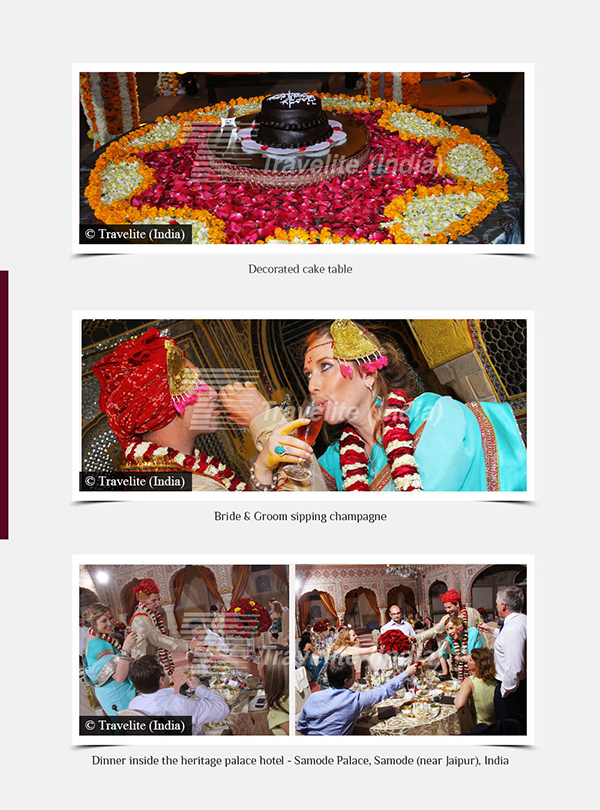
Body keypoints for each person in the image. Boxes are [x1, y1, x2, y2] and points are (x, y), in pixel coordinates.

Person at [225, 320, 526, 492]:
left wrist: (264, 419)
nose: (312, 386)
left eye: (325, 367)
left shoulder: (436, 416)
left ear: (368, 373)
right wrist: (264, 468)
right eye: (308, 374)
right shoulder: (334, 459)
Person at [297, 656, 418, 735]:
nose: (356, 674)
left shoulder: (313, 697)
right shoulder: (354, 700)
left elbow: (301, 726)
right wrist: (406, 673)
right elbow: (383, 690)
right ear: (346, 681)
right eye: (354, 672)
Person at [128, 655, 229, 735]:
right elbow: (222, 710)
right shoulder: (178, 704)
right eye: (165, 672)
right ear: (162, 680)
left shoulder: (133, 705)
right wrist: (199, 687)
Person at [211, 646, 290, 734]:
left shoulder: (278, 710)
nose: (257, 662)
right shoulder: (281, 681)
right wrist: (224, 656)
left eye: (260, 660)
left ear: (268, 670)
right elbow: (250, 667)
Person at [414, 589, 491, 679]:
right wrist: (425, 661)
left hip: (477, 675)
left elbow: (474, 658)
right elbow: (438, 652)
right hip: (458, 674)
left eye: (451, 628)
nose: (449, 632)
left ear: (459, 627)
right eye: (447, 629)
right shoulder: (450, 637)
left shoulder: (473, 632)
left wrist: (457, 658)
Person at [480, 586, 527, 733]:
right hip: (519, 686)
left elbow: (514, 668)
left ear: (503, 606)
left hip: (511, 690)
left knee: (509, 730)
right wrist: (492, 630)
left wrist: (505, 690)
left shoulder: (512, 629)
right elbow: (507, 638)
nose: (496, 606)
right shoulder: (522, 620)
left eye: (496, 603)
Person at [129, 579, 197, 678]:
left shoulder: (151, 613)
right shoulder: (141, 618)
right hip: (144, 666)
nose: (158, 603)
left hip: (152, 661)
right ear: (144, 601)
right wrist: (186, 645)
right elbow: (158, 639)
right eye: (153, 600)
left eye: (159, 599)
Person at [81, 603, 137, 715]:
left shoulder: (91, 638)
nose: (110, 623)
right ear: (93, 623)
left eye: (110, 618)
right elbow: (119, 676)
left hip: (106, 693)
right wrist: (126, 648)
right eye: (103, 621)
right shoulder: (100, 645)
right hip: (118, 693)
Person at [453, 648, 497, 730]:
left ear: (478, 664)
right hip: (497, 725)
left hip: (481, 728)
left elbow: (459, 705)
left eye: (470, 660)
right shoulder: (494, 678)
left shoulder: (470, 681)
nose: (467, 662)